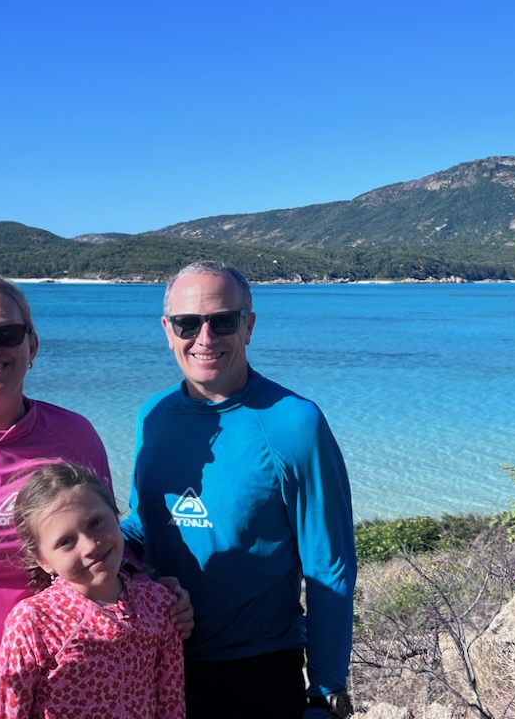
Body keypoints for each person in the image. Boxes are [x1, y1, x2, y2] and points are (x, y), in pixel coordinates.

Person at [0, 271, 190, 718]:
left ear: (32, 346)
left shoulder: (74, 435)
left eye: (7, 333)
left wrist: (153, 593)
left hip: (72, 677)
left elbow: (103, 540)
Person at [122, 260, 358, 719]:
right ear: (168, 330)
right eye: (188, 323)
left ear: (248, 326)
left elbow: (329, 566)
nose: (205, 338)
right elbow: (141, 524)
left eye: (222, 321)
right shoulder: (153, 416)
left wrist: (325, 690)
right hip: (155, 660)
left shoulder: (295, 423)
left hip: (257, 671)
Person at [0, 462, 185, 719]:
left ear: (116, 516)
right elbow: (8, 712)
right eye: (66, 541)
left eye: (96, 522)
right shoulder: (35, 621)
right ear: (42, 560)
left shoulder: (158, 604)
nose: (90, 545)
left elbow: (171, 702)